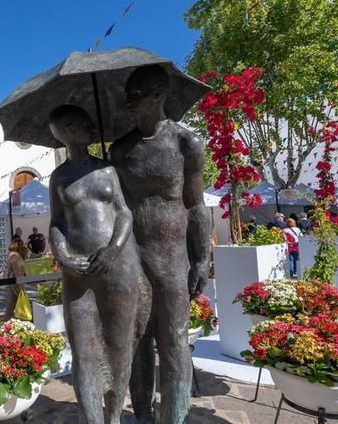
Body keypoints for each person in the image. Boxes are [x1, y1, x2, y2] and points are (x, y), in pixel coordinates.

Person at [110, 65, 211, 424]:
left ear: (158, 95)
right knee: (135, 344)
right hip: (131, 259)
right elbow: (113, 207)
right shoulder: (119, 150)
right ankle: (143, 416)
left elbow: (196, 205)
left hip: (172, 260)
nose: (128, 103)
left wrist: (201, 259)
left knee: (173, 341)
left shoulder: (186, 143)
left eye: (135, 96)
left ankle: (174, 416)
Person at [49, 104, 149, 424]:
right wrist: (63, 256)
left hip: (117, 268)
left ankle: (115, 417)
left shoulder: (107, 171)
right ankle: (93, 419)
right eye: (78, 124)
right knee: (84, 352)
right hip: (78, 274)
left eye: (86, 122)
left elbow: (124, 213)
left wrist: (112, 249)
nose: (87, 126)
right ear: (65, 132)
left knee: (120, 350)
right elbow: (56, 223)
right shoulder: (59, 177)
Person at [2, 238, 28, 321]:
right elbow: (18, 273)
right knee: (23, 302)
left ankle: (6, 322)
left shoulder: (13, 254)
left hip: (13, 282)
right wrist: (22, 287)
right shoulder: (14, 256)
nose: (23, 245)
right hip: (16, 282)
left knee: (12, 303)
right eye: (22, 244)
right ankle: (27, 320)